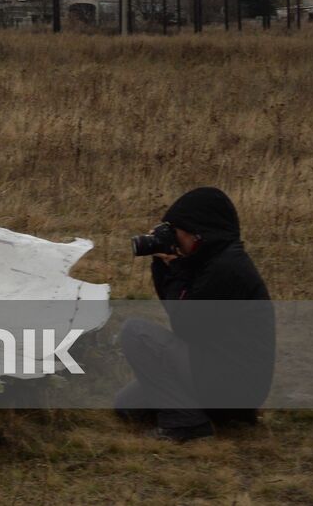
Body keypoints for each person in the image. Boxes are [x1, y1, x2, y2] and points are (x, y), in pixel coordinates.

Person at [115, 186, 274, 442]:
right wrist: (163, 265)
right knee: (127, 405)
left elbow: (186, 325)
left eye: (177, 233)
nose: (175, 240)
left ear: (197, 234)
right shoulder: (215, 261)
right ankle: (220, 416)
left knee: (136, 333)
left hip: (233, 382)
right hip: (223, 372)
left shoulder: (227, 269)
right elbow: (181, 306)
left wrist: (175, 268)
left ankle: (186, 425)